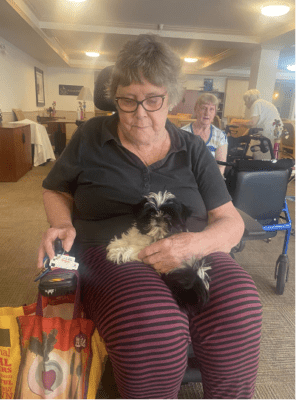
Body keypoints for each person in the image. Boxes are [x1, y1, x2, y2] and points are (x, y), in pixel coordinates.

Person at [37, 34, 262, 400]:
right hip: (113, 251)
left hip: (190, 248)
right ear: (116, 98)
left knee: (241, 307)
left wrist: (197, 243)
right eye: (128, 100)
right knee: (156, 328)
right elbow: (55, 189)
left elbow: (230, 221)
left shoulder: (192, 149)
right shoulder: (92, 135)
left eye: (153, 99)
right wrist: (62, 223)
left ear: (172, 99)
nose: (140, 112)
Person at [181, 93, 228, 175]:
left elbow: (221, 165)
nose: (207, 113)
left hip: (211, 179)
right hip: (187, 178)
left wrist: (214, 183)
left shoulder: (220, 135)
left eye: (211, 109)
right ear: (196, 110)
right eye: (203, 108)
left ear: (214, 113)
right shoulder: (183, 133)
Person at [238, 89, 283, 159]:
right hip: (275, 130)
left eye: (245, 101)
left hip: (268, 131)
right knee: (265, 153)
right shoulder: (264, 103)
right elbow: (253, 126)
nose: (245, 104)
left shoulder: (256, 103)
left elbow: (252, 123)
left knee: (258, 153)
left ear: (249, 99)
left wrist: (239, 123)